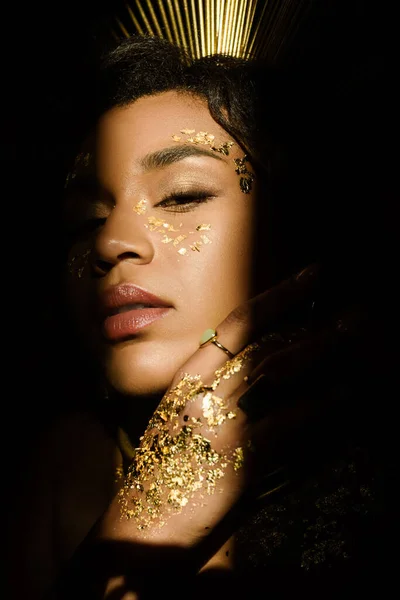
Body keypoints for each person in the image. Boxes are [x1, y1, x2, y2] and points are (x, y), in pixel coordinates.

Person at [6, 35, 394, 600]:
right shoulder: (58, 475)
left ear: (295, 227)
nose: (111, 241)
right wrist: (151, 512)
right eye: (87, 218)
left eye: (181, 196)